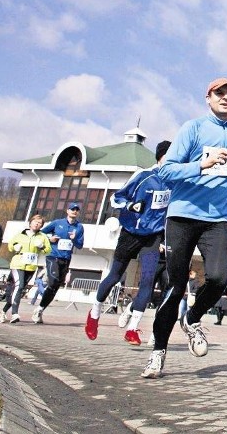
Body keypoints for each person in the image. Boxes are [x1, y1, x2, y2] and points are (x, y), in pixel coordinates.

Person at [141, 77, 227, 379]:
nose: (226, 98)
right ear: (208, 97)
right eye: (220, 93)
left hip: (218, 218)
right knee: (176, 287)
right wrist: (201, 165)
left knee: (218, 278)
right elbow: (166, 170)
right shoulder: (193, 128)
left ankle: (192, 318)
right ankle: (158, 353)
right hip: (183, 215)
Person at [85, 141, 171, 345]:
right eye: (171, 155)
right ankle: (95, 313)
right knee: (115, 275)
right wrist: (131, 205)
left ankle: (132, 329)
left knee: (147, 281)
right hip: (131, 232)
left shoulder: (175, 182)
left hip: (153, 236)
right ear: (161, 157)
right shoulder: (143, 176)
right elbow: (116, 198)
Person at [34, 202, 85, 323]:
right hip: (53, 256)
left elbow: (80, 245)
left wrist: (75, 238)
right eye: (72, 209)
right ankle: (40, 299)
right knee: (54, 281)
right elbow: (40, 233)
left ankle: (40, 309)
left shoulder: (79, 227)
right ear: (67, 211)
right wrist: (49, 239)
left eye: (77, 210)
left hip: (66, 259)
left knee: (55, 287)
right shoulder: (57, 223)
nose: (74, 211)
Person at [0, 215, 52, 323]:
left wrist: (42, 247)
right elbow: (10, 246)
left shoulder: (42, 236)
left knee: (19, 289)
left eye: (40, 223)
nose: (37, 224)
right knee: (19, 286)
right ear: (30, 222)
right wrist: (15, 246)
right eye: (35, 222)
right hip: (18, 264)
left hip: (31, 266)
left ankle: (3, 311)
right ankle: (14, 314)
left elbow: (48, 251)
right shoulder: (20, 235)